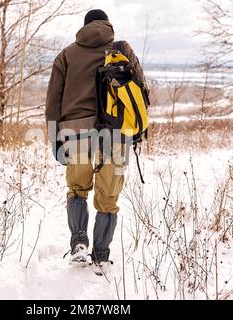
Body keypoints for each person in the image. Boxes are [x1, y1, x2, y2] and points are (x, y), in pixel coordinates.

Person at [45, 9, 149, 275]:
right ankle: (101, 254)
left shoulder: (66, 55)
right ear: (107, 25)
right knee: (108, 195)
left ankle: (79, 242)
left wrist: (55, 139)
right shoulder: (121, 49)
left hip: (75, 131)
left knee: (78, 188)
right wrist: (134, 132)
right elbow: (141, 91)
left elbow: (53, 103)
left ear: (84, 27)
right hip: (115, 132)